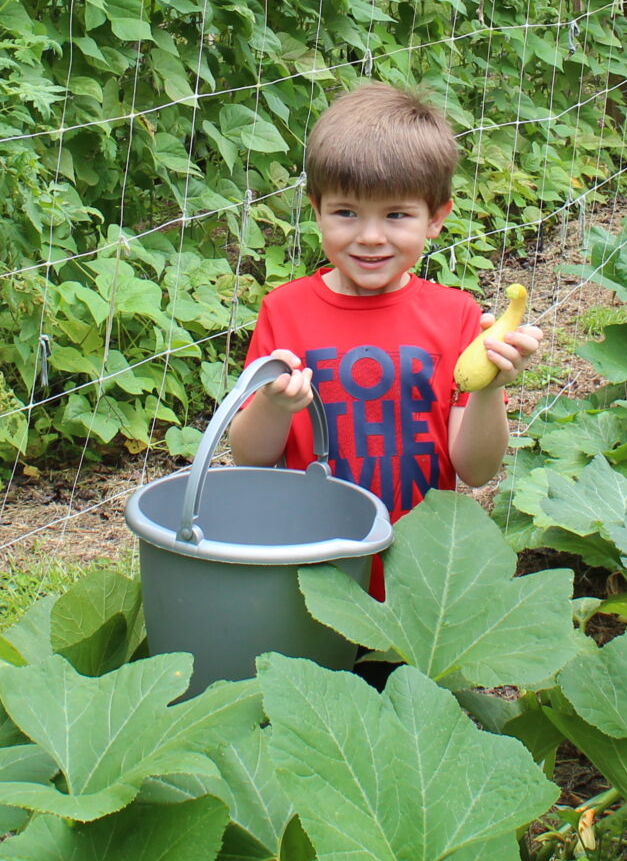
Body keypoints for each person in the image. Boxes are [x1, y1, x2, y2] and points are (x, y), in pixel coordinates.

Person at [226, 84, 539, 551]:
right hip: (311, 553)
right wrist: (274, 403)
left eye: (396, 215)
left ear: (436, 218)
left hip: (422, 557)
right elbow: (250, 456)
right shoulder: (285, 311)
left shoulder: (457, 316)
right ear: (316, 210)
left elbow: (476, 470)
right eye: (346, 212)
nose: (371, 237)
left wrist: (492, 388)